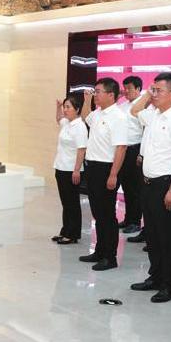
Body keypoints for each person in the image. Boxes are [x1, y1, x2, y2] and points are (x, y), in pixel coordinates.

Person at [129, 73, 171, 302]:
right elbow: (134, 110)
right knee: (153, 236)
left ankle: (169, 285)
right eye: (153, 90)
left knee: (167, 238)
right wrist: (149, 94)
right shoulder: (153, 115)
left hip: (165, 184)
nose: (154, 94)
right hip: (147, 183)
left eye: (159, 91)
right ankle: (155, 277)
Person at [78, 78, 128, 271]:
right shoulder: (98, 113)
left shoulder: (118, 117)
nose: (95, 94)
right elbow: (85, 117)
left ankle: (110, 257)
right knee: (98, 213)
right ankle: (99, 251)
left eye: (98, 91)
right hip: (93, 167)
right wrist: (86, 100)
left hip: (107, 168)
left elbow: (121, 148)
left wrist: (113, 174)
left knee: (107, 214)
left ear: (111, 95)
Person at [53, 93, 88, 245]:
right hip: (60, 167)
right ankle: (65, 230)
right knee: (65, 202)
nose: (65, 110)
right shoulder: (67, 123)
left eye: (68, 107)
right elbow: (58, 119)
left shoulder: (79, 126)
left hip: (71, 170)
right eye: (65, 107)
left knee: (72, 202)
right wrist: (58, 107)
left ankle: (73, 234)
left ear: (77, 109)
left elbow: (82, 149)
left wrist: (76, 170)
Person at [118, 76, 145, 234]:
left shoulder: (143, 106)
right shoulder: (122, 106)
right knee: (126, 186)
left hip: (136, 149)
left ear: (138, 89)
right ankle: (128, 218)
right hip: (123, 149)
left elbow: (146, 131)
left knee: (135, 188)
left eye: (129, 88)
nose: (126, 91)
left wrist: (141, 153)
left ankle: (135, 221)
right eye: (125, 88)